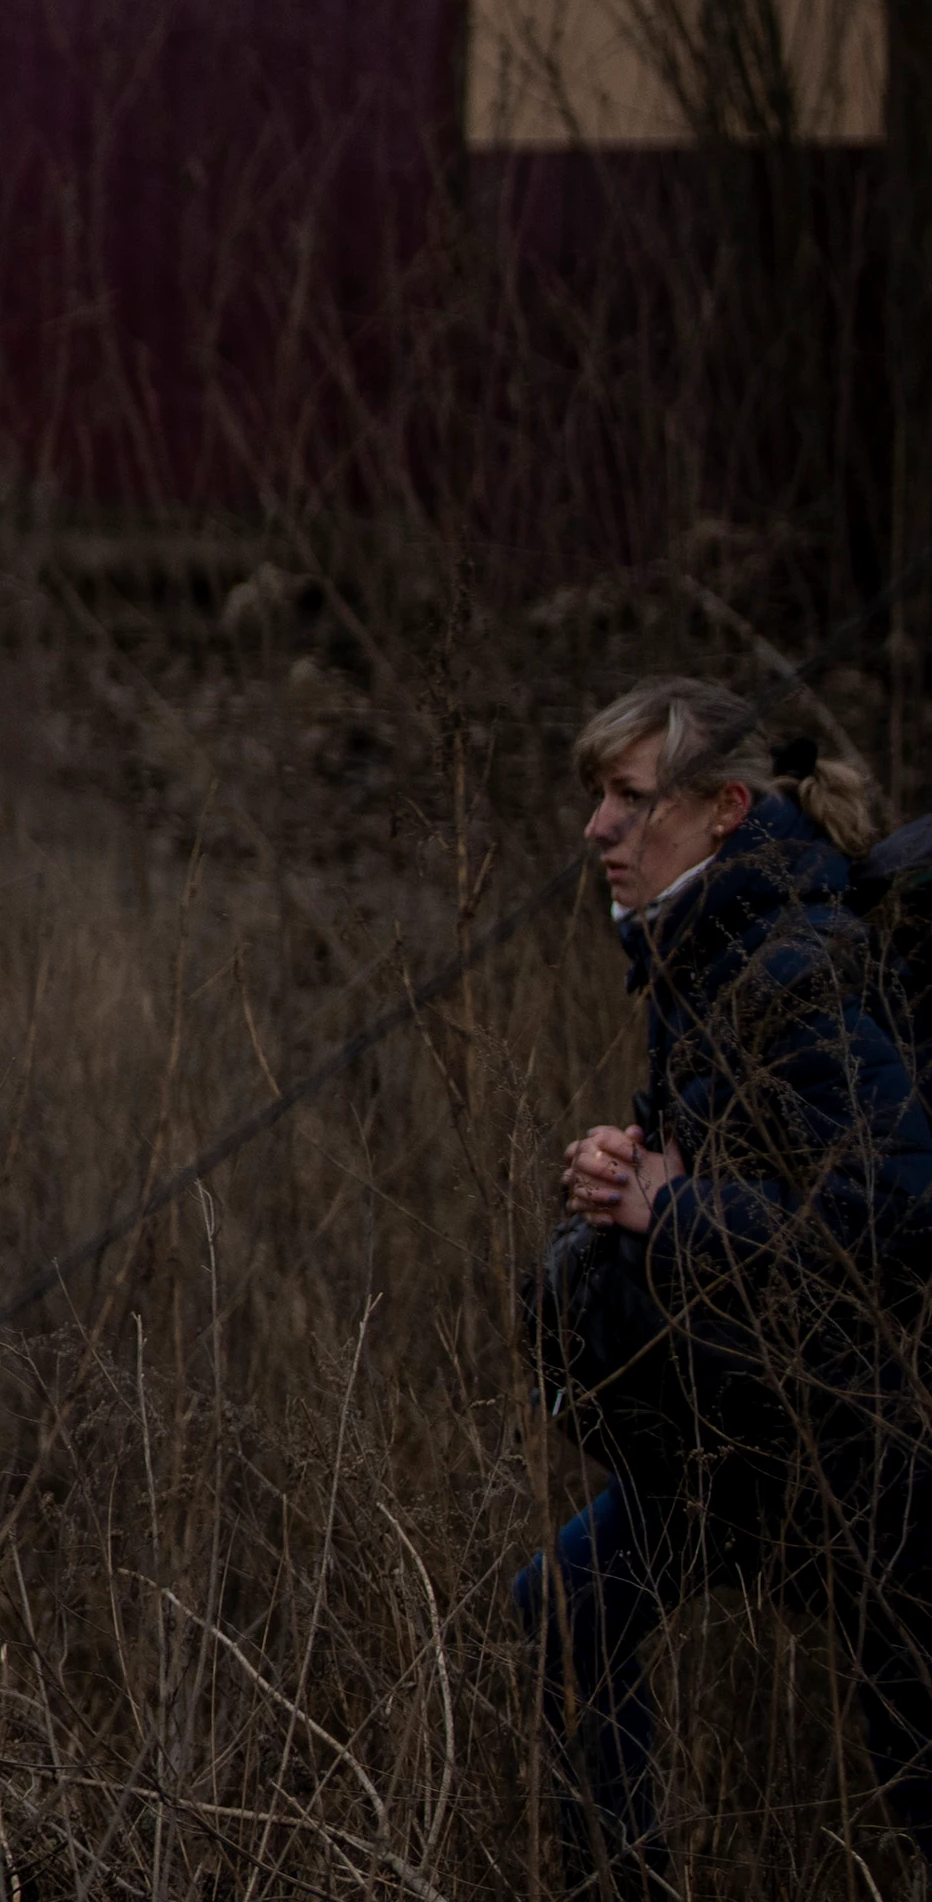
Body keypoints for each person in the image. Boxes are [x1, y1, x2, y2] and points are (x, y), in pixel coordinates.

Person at [518, 680, 932, 1893]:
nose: (597, 827)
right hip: (744, 1420)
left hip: (857, 1438)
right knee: (567, 1604)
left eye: (630, 798)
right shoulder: (702, 947)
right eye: (598, 794)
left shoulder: (794, 959)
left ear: (721, 810)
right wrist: (622, 1165)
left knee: (915, 1756)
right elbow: (745, 1160)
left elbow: (896, 1211)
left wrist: (671, 1206)